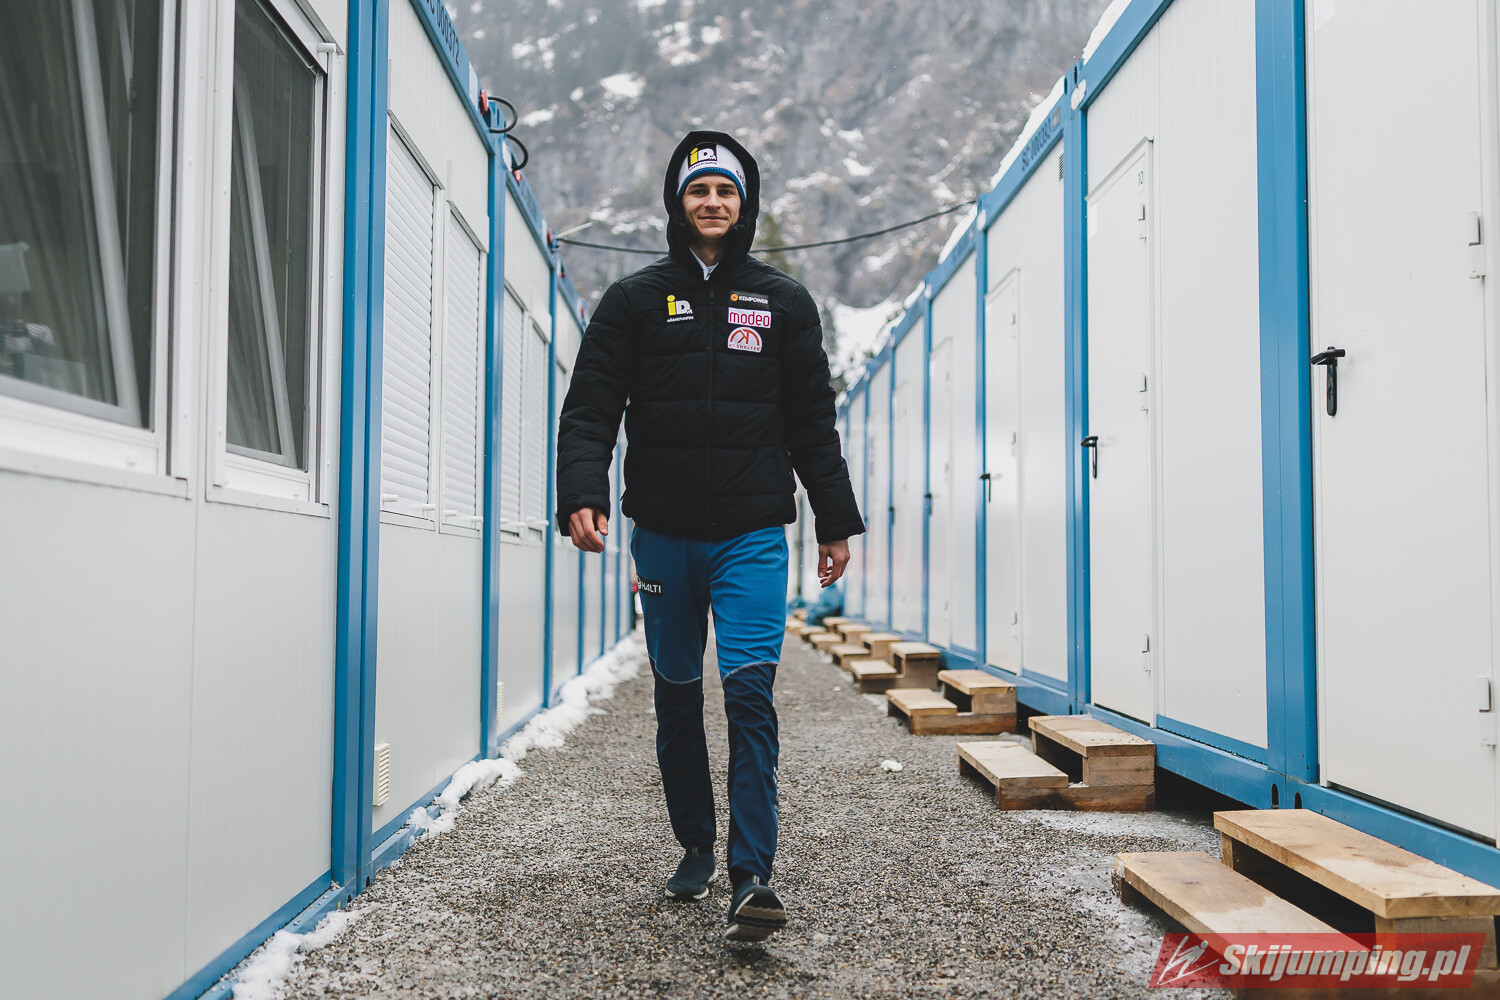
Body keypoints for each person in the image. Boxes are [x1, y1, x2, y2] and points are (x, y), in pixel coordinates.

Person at [555, 130, 864, 942]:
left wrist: (835, 519)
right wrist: (581, 490)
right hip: (663, 536)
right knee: (676, 693)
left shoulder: (783, 302)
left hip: (752, 535)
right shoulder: (633, 300)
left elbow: (812, 423)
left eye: (726, 189)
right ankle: (695, 844)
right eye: (700, 190)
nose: (713, 202)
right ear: (678, 202)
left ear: (744, 202)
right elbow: (591, 407)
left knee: (751, 694)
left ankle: (752, 874)